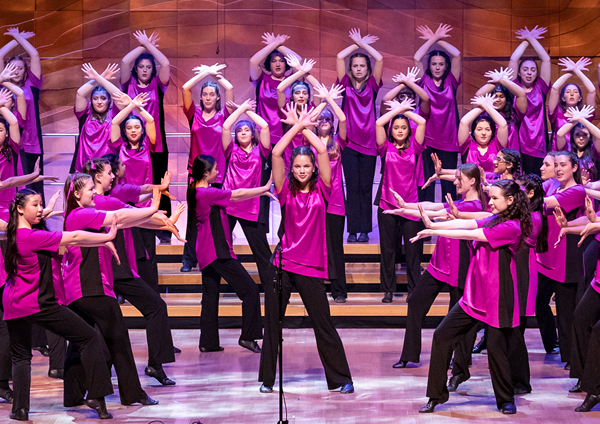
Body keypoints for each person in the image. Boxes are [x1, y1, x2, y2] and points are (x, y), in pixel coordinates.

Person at [414, 179, 531, 415]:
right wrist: (434, 225)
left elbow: (475, 234)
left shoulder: (512, 227)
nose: (492, 202)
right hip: (475, 294)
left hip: (499, 295)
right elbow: (467, 223)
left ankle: (506, 399)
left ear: (510, 201)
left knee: (497, 350)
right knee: (442, 335)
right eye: (492, 198)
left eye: (496, 198)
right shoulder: (496, 218)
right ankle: (436, 395)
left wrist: (434, 230)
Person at [258, 104, 353, 394]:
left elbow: (323, 152)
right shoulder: (284, 189)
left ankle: (340, 379)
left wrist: (307, 129)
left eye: (305, 167)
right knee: (272, 324)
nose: (301, 170)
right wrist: (295, 129)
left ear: (313, 169)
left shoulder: (323, 188)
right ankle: (267, 380)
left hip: (311, 267)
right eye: (297, 166)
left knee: (323, 324)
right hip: (283, 265)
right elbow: (276, 154)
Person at [3, 189, 116, 420]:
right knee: (89, 337)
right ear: (20, 209)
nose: (40, 209)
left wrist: (99, 243)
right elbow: (73, 237)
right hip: (38, 302)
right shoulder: (31, 236)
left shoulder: (14, 234)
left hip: (14, 301)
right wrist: (105, 238)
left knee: (21, 356)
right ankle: (96, 395)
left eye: (41, 204)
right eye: (35, 205)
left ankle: (20, 410)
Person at [61, 173, 160, 407]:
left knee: (79, 343)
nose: (94, 192)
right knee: (118, 339)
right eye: (89, 189)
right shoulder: (81, 214)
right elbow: (117, 216)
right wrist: (153, 207)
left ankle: (73, 395)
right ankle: (132, 393)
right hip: (91, 288)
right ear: (76, 194)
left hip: (78, 291)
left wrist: (154, 218)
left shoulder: (77, 216)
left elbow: (122, 222)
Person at [82, 157, 182, 385]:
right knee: (151, 309)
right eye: (109, 172)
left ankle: (100, 380)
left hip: (114, 270)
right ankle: (151, 366)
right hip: (113, 271)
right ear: (98, 176)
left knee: (103, 327)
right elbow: (141, 215)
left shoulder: (102, 201)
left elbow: (138, 220)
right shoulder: (105, 202)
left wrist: (165, 222)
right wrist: (163, 217)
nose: (112, 176)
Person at [386, 163, 485, 368]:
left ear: (473, 181)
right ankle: (409, 354)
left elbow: (435, 209)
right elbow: (432, 205)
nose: (456, 182)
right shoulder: (460, 202)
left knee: (458, 314)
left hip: (460, 264)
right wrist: (405, 206)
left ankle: (459, 361)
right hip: (440, 263)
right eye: (455, 177)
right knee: (416, 301)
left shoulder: (473, 207)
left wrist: (407, 208)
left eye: (460, 179)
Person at [189, 154, 270, 353]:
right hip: (217, 253)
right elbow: (239, 194)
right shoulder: (204, 193)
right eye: (215, 169)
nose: (218, 172)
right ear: (206, 173)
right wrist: (264, 189)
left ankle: (208, 342)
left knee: (210, 296)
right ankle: (248, 337)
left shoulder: (201, 191)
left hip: (207, 251)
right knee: (250, 290)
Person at [180, 63, 234, 272]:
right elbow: (185, 88)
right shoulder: (194, 115)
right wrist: (204, 73)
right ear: (201, 97)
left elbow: (229, 89)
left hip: (218, 174)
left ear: (217, 98)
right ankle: (188, 259)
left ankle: (219, 258)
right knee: (194, 220)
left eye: (213, 94)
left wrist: (214, 75)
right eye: (205, 94)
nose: (209, 97)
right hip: (196, 176)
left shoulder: (224, 117)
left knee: (217, 219)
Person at [121, 29, 172, 243]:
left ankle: (163, 229)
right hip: (130, 142)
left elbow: (166, 65)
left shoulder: (157, 85)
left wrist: (149, 46)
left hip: (156, 142)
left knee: (160, 186)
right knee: (132, 184)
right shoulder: (127, 84)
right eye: (141, 66)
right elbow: (124, 61)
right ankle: (132, 223)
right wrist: (142, 45)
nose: (144, 70)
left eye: (148, 67)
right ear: (136, 69)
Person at [536, 151, 586, 369]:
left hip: (566, 257)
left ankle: (571, 358)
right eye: (555, 165)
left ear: (574, 167)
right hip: (545, 256)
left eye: (562, 164)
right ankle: (553, 345)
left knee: (566, 312)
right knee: (539, 302)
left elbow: (542, 203)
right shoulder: (552, 185)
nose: (558, 169)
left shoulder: (577, 191)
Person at [374, 98, 426, 302]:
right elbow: (379, 123)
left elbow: (421, 123)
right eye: (396, 127)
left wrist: (404, 110)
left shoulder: (416, 146)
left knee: (413, 251)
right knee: (388, 250)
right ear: (391, 130)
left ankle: (414, 290)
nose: (400, 130)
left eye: (403, 127)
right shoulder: (385, 147)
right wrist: (397, 110)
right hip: (387, 204)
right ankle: (388, 289)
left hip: (411, 205)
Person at [336, 28, 383, 243]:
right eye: (354, 66)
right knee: (352, 188)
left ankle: (365, 230)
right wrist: (356, 44)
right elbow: (339, 57)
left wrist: (363, 45)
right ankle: (352, 230)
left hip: (369, 144)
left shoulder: (372, 85)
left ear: (368, 68)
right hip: (348, 144)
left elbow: (380, 58)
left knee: (365, 188)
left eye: (362, 66)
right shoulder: (344, 84)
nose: (358, 69)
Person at [221, 99, 273, 290]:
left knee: (262, 253)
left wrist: (247, 112)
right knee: (221, 248)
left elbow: (265, 126)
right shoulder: (231, 150)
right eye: (240, 130)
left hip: (252, 206)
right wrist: (241, 109)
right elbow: (226, 126)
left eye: (247, 130)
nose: (243, 133)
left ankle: (272, 292)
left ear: (252, 134)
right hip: (229, 204)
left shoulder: (262, 150)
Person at [413, 23, 462, 202]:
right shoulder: (423, 80)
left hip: (449, 140)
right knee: (427, 182)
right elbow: (417, 57)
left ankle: (450, 219)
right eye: (434, 64)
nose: (437, 67)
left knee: (450, 183)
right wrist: (433, 39)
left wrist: (439, 39)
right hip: (427, 139)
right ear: (430, 65)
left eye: (441, 64)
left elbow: (456, 54)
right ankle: (427, 223)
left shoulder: (452, 81)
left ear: (446, 65)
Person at [312, 83, 348, 302]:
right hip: (314, 200)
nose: (324, 122)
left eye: (327, 119)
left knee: (335, 247)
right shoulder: (309, 140)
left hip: (334, 200)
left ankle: (339, 290)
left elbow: (343, 119)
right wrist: (321, 105)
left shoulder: (338, 142)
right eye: (321, 119)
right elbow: (306, 122)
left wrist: (328, 100)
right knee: (315, 246)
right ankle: (315, 289)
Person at [0, 28, 44, 201]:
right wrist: (15, 40)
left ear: (25, 71)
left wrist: (19, 37)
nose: (16, 71)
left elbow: (34, 55)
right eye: (12, 68)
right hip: (7, 141)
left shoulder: (31, 85)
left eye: (19, 68)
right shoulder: (3, 87)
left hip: (30, 140)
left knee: (33, 185)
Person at [507, 26, 551, 174]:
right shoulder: (514, 86)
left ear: (537, 73)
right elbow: (513, 59)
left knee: (537, 182)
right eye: (525, 69)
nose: (529, 72)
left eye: (532, 70)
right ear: (519, 72)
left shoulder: (541, 87)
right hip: (518, 141)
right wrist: (526, 39)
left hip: (538, 141)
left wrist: (532, 39)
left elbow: (546, 59)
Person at [249, 32, 300, 146]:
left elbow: (299, 61)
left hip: (288, 134)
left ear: (286, 63)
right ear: (269, 64)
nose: (278, 64)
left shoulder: (292, 80)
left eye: (281, 60)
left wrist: (279, 46)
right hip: (263, 134)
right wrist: (274, 43)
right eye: (274, 61)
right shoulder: (262, 79)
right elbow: (253, 61)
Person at [72, 63, 122, 173]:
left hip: (107, 172)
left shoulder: (114, 115)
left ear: (109, 100)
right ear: (91, 101)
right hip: (84, 171)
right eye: (95, 98)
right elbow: (80, 93)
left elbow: (119, 95)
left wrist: (99, 78)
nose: (99, 102)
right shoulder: (85, 115)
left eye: (103, 98)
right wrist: (101, 76)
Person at [548, 57, 596, 151]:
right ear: (562, 98)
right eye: (568, 92)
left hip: (582, 156)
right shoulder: (556, 113)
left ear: (580, 98)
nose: (572, 94)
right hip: (559, 155)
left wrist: (577, 70)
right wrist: (571, 72)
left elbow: (592, 91)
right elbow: (554, 88)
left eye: (575, 92)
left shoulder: (585, 114)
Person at [475, 67, 527, 151]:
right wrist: (496, 82)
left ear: (506, 99)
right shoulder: (484, 114)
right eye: (495, 96)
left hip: (511, 159)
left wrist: (503, 81)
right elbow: (478, 95)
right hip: (491, 158)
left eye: (501, 96)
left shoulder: (515, 115)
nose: (498, 99)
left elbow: (522, 94)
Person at [458, 93, 508, 173]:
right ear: (473, 132)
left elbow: (503, 124)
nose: (483, 133)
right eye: (479, 129)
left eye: (488, 129)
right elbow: (464, 122)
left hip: (493, 185)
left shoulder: (497, 145)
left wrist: (487, 106)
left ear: (492, 132)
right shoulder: (467, 145)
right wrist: (482, 106)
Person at [556, 105, 599, 182]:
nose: (581, 138)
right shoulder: (566, 149)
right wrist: (575, 120)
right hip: (569, 189)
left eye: (585, 135)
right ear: (572, 135)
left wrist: (581, 119)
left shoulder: (594, 150)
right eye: (577, 135)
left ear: (590, 137)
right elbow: (559, 134)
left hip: (590, 190)